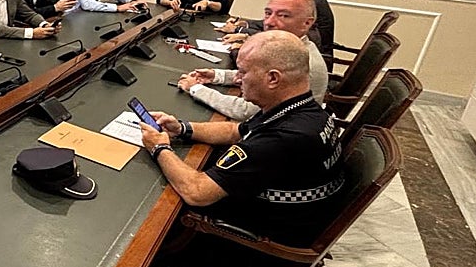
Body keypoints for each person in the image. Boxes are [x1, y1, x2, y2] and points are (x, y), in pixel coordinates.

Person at [140, 30, 343, 241]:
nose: (237, 79)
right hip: (286, 215)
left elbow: (197, 192)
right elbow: (235, 130)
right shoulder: (301, 109)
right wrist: (182, 128)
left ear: (273, 78)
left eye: (243, 72)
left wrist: (159, 147)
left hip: (252, 240)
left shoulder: (282, 138)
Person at [177, 0, 329, 119]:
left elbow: (246, 111)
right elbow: (258, 75)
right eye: (268, 13)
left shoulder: (301, 62)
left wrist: (196, 89)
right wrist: (217, 76)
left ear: (307, 23)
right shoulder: (286, 49)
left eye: (283, 15)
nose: (269, 22)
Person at [219, 0, 335, 64]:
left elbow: (278, 33)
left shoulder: (307, 1)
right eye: (268, 13)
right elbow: (274, 25)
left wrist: (240, 42)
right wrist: (245, 24)